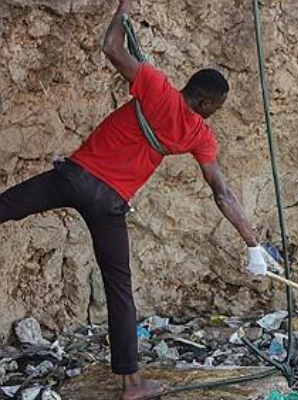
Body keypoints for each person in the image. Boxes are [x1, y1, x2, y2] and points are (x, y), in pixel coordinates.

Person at [0, 1, 271, 399]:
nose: (215, 115)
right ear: (206, 103)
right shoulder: (198, 135)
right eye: (216, 108)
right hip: (109, 202)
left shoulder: (157, 87)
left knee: (5, 206)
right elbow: (222, 192)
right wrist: (253, 245)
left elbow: (110, 47)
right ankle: (132, 384)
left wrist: (122, 9)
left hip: (73, 178)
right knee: (119, 290)